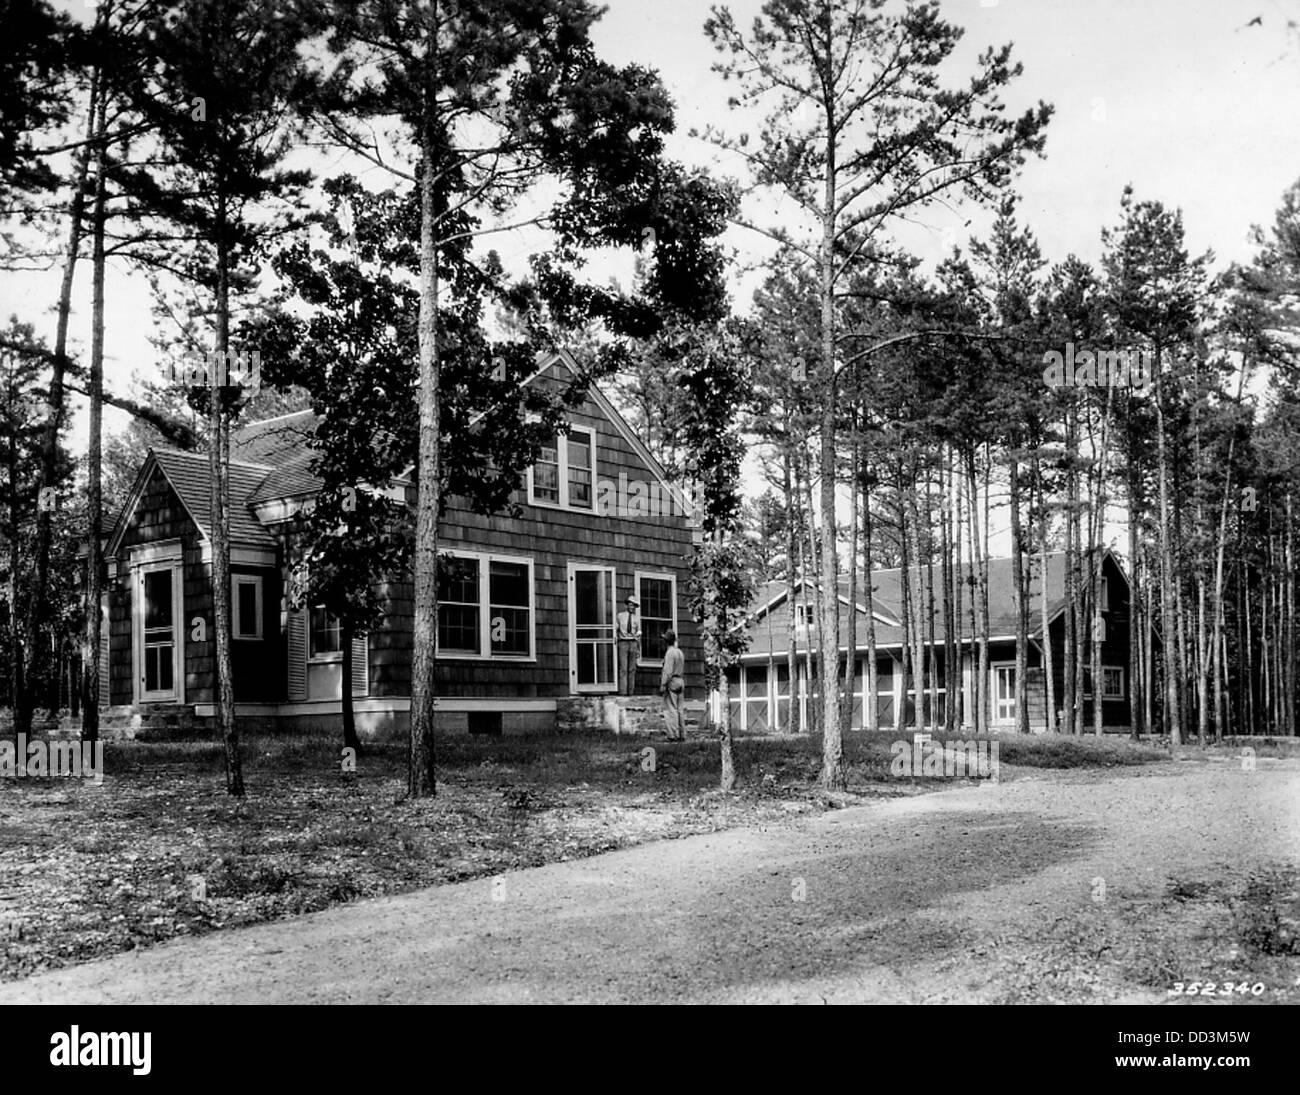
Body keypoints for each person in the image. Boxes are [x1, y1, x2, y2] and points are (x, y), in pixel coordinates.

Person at [660, 630, 686, 740]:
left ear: (666, 641)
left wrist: (663, 683)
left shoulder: (670, 653)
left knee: (670, 709)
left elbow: (668, 671)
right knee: (680, 709)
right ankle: (682, 734)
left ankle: (673, 735)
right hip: (680, 680)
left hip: (672, 681)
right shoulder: (679, 652)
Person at [616, 596, 641, 696]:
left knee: (632, 669)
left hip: (633, 643)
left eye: (634, 605)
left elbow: (638, 633)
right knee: (623, 668)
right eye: (630, 605)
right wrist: (616, 638)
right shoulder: (620, 616)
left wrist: (638, 648)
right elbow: (615, 629)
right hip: (623, 642)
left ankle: (630, 692)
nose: (632, 607)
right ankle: (623, 692)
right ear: (627, 605)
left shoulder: (636, 619)